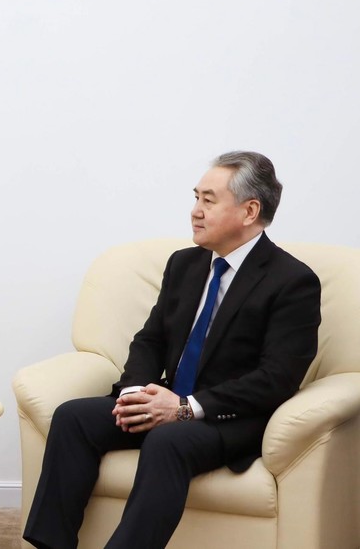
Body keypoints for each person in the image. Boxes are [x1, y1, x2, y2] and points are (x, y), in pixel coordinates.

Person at [22, 151, 321, 549]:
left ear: (250, 211)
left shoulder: (293, 281)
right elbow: (151, 339)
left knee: (168, 441)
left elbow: (276, 379)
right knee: (73, 417)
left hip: (230, 418)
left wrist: (184, 408)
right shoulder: (185, 264)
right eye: (196, 197)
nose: (195, 211)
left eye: (209, 200)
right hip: (167, 398)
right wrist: (136, 392)